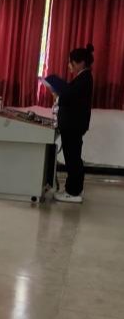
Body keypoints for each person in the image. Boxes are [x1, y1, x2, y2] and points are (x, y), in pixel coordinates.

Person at [53, 44, 95, 203]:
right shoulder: (82, 77)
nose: (69, 65)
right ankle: (74, 188)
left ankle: (73, 192)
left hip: (73, 124)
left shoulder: (85, 78)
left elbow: (70, 98)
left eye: (72, 62)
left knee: (73, 158)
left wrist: (58, 95)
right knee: (73, 157)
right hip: (73, 124)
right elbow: (71, 95)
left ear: (81, 63)